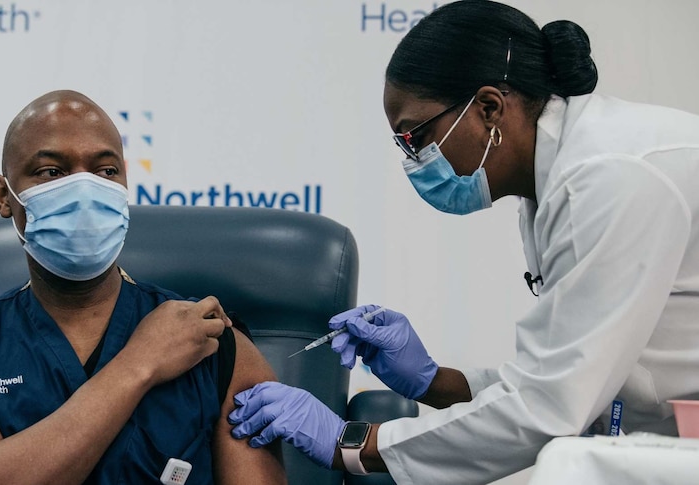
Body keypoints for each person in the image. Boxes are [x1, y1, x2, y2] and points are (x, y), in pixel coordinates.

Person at [228, 1, 699, 483]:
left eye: (416, 136)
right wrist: (433, 381)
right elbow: (557, 380)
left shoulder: (608, 179)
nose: (413, 160)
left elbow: (549, 406)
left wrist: (351, 444)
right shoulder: (555, 187)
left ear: (489, 107)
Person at [0, 90, 286, 484]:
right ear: (4, 195)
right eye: (52, 171)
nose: (84, 190)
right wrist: (139, 363)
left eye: (105, 172)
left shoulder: (211, 341)